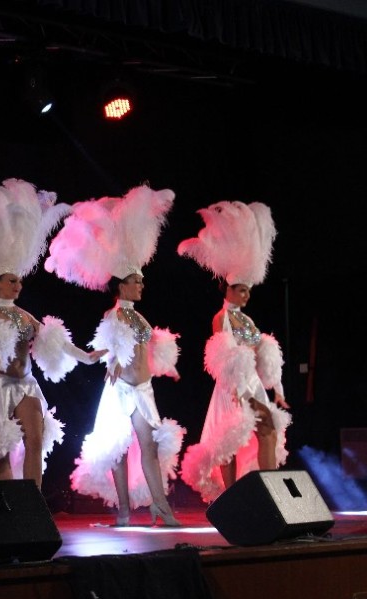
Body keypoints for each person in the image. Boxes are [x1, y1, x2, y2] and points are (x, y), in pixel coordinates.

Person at [0, 179, 104, 487]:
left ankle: (33, 505)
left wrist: (87, 357)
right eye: (11, 281)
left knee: (35, 441)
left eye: (19, 281)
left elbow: (56, 340)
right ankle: (10, 509)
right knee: (0, 450)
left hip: (26, 385)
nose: (17, 285)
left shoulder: (25, 315)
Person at [45, 184, 185, 526]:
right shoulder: (115, 316)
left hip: (144, 390)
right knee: (120, 449)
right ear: (122, 284)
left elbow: (148, 347)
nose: (141, 285)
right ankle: (124, 509)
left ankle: (159, 506)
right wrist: (115, 362)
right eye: (136, 281)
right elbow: (111, 347)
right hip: (122, 391)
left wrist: (166, 365)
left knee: (149, 446)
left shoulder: (138, 316)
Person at [178, 201, 290, 502]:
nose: (246, 294)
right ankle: (232, 500)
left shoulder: (247, 319)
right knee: (229, 442)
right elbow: (224, 357)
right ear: (227, 290)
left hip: (254, 384)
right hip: (234, 387)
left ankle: (270, 492)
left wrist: (276, 389)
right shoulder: (222, 318)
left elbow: (264, 354)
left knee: (267, 430)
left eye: (248, 290)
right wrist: (238, 390)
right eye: (241, 289)